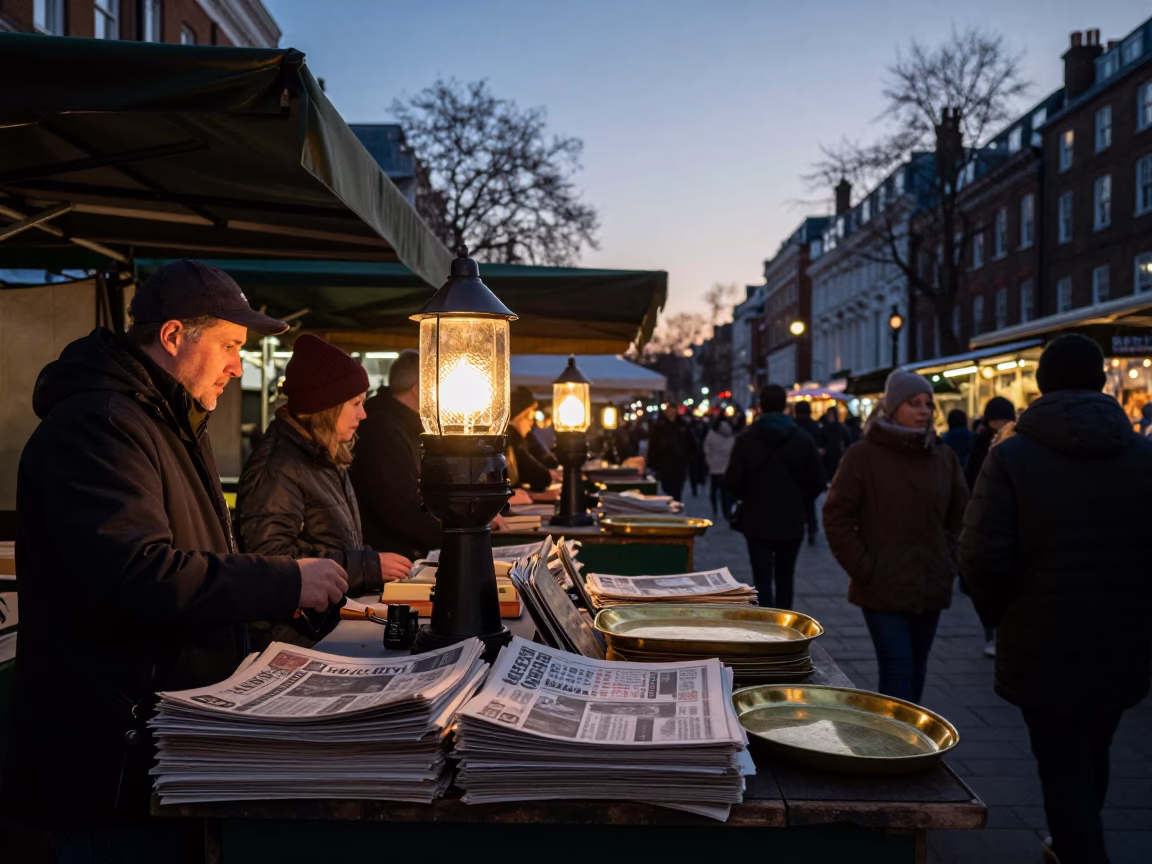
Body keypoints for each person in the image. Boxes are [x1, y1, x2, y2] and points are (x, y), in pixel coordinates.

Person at [0, 260, 349, 859]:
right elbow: (140, 575)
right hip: (110, 768)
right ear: (173, 337)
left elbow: (206, 558)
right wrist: (286, 580)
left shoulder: (167, 420)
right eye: (231, 345)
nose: (240, 365)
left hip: (164, 751)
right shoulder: (101, 426)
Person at [960, 335, 1152, 864]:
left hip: (1044, 638)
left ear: (1042, 384)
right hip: (1124, 637)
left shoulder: (1012, 456)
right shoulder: (1142, 454)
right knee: (1096, 747)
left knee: (1061, 758)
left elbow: (979, 556)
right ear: (1101, 381)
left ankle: (1078, 849)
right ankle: (1073, 839)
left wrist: (999, 616)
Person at [237, 335, 412, 649]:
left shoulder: (322, 455)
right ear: (327, 407)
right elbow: (272, 564)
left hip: (323, 625)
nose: (364, 414)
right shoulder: (278, 465)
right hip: (292, 638)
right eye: (356, 403)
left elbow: (330, 538)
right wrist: (367, 567)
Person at [823, 369, 968, 704]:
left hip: (930, 582)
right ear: (892, 407)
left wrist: (949, 557)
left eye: (928, 404)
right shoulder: (864, 455)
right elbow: (837, 515)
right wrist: (865, 567)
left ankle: (910, 743)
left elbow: (961, 511)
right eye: (913, 403)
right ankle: (896, 749)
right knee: (898, 669)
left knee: (917, 670)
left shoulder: (942, 456)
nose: (923, 410)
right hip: (882, 587)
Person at [726, 386, 826, 610]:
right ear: (785, 406)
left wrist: (750, 496)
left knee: (761, 578)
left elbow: (733, 482)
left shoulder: (746, 441)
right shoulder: (804, 440)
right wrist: (800, 499)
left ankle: (766, 627)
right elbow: (819, 480)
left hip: (757, 518)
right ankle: (784, 626)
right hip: (791, 518)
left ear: (760, 406)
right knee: (785, 577)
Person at [351, 349, 444, 561]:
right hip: (390, 558)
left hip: (399, 552)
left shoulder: (402, 425)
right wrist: (457, 531)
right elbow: (401, 507)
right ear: (418, 390)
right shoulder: (383, 429)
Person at [506, 386, 560, 492]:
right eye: (529, 416)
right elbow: (533, 469)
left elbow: (544, 458)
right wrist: (547, 474)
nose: (532, 422)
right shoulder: (511, 439)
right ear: (518, 417)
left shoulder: (523, 438)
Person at [648, 404, 697, 502]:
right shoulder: (660, 426)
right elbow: (653, 445)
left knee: (677, 487)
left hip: (679, 462)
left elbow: (691, 443)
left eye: (672, 410)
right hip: (665, 462)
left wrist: (689, 456)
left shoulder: (682, 426)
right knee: (667, 486)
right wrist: (653, 463)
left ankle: (676, 503)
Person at [965, 396, 1015, 489]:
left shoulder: (1019, 445)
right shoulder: (980, 446)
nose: (999, 436)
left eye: (1006, 428)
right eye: (996, 431)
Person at [793, 401, 824, 545]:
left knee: (796, 503)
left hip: (794, 470)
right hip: (810, 470)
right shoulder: (815, 426)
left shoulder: (792, 426)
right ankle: (812, 528)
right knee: (810, 503)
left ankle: (799, 526)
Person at [702, 417, 736, 517]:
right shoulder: (731, 437)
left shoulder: (711, 436)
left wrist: (709, 462)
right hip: (727, 468)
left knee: (714, 491)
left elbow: (706, 450)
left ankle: (715, 508)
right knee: (726, 492)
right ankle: (727, 511)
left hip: (715, 468)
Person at [819, 405, 854, 482]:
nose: (829, 417)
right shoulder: (824, 429)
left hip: (839, 457)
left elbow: (848, 442)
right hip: (828, 459)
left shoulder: (842, 429)